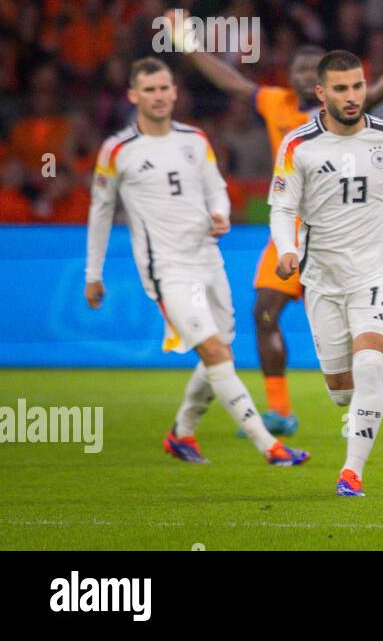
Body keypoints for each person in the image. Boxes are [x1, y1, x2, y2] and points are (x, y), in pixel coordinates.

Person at [185, 22, 383, 435]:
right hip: (289, 229)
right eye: (300, 70)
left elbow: (375, 92)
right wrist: (188, 45)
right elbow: (232, 82)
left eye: (315, 70)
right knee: (264, 312)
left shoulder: (344, 111)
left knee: (352, 327)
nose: (307, 77)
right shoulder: (277, 103)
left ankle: (359, 396)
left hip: (344, 233)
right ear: (289, 76)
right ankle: (280, 410)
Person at [84, 57, 309, 466]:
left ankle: (181, 434)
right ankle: (270, 447)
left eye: (164, 88)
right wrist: (93, 274)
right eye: (148, 90)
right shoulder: (118, 150)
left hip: (208, 259)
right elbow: (100, 211)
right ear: (133, 95)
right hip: (166, 270)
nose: (158, 96)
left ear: (175, 92)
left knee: (220, 350)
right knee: (214, 351)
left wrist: (220, 212)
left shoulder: (195, 139)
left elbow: (217, 188)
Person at [268, 50, 383, 497]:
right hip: (322, 280)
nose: (351, 96)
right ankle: (363, 399)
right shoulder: (298, 146)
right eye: (341, 88)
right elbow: (283, 208)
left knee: (368, 365)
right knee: (341, 391)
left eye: (358, 86)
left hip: (379, 272)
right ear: (321, 93)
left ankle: (351, 472)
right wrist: (286, 249)